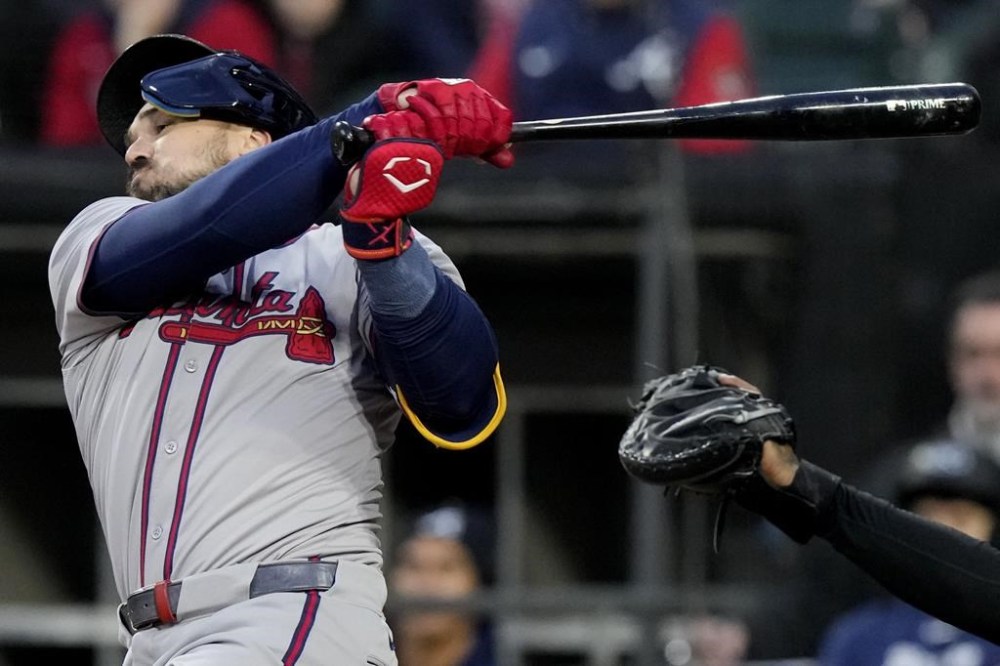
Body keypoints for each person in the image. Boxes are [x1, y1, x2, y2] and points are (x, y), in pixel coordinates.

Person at [46, 32, 514, 664]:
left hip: (297, 611)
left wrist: (384, 246)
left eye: (162, 123)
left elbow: (460, 402)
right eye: (133, 134)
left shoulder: (341, 255)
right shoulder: (95, 237)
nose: (134, 148)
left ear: (252, 141)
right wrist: (374, 116)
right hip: (150, 638)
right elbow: (208, 223)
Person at [716, 372, 1000, 646]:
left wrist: (809, 491)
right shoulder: (863, 636)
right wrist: (799, 486)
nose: (945, 524)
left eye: (962, 515)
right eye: (929, 511)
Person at [817, 438, 1000, 665]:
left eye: (960, 517)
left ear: (993, 528)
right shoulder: (860, 636)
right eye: (927, 519)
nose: (944, 533)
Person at [40, 0, 276, 146]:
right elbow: (66, 143)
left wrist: (136, 42)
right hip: (104, 180)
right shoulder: (84, 35)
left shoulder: (226, 23)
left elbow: (233, 134)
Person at [389, 502, 496, 666]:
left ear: (478, 583)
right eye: (414, 566)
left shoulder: (508, 655)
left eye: (446, 568)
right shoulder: (358, 652)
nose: (427, 584)